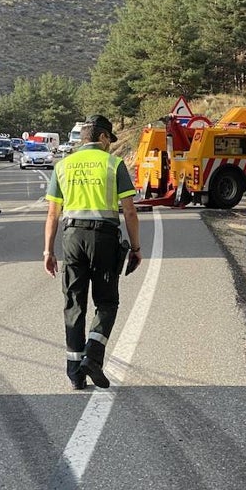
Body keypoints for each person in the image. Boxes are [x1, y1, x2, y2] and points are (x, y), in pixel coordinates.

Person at [42, 114, 141, 391]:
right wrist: (136, 248)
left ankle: (75, 373)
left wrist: (48, 251)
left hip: (72, 236)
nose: (111, 145)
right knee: (107, 302)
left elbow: (53, 213)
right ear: (103, 137)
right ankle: (93, 356)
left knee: (74, 303)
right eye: (110, 139)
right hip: (104, 237)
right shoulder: (114, 164)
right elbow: (130, 211)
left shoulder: (63, 166)